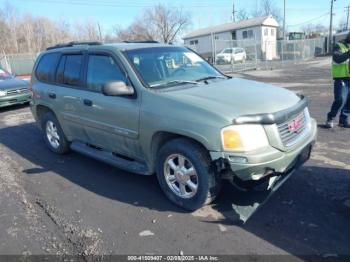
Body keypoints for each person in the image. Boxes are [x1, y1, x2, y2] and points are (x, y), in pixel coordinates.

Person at [326, 32, 350, 128]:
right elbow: (337, 59)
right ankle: (330, 118)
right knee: (340, 100)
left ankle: (343, 120)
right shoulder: (339, 45)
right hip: (341, 79)